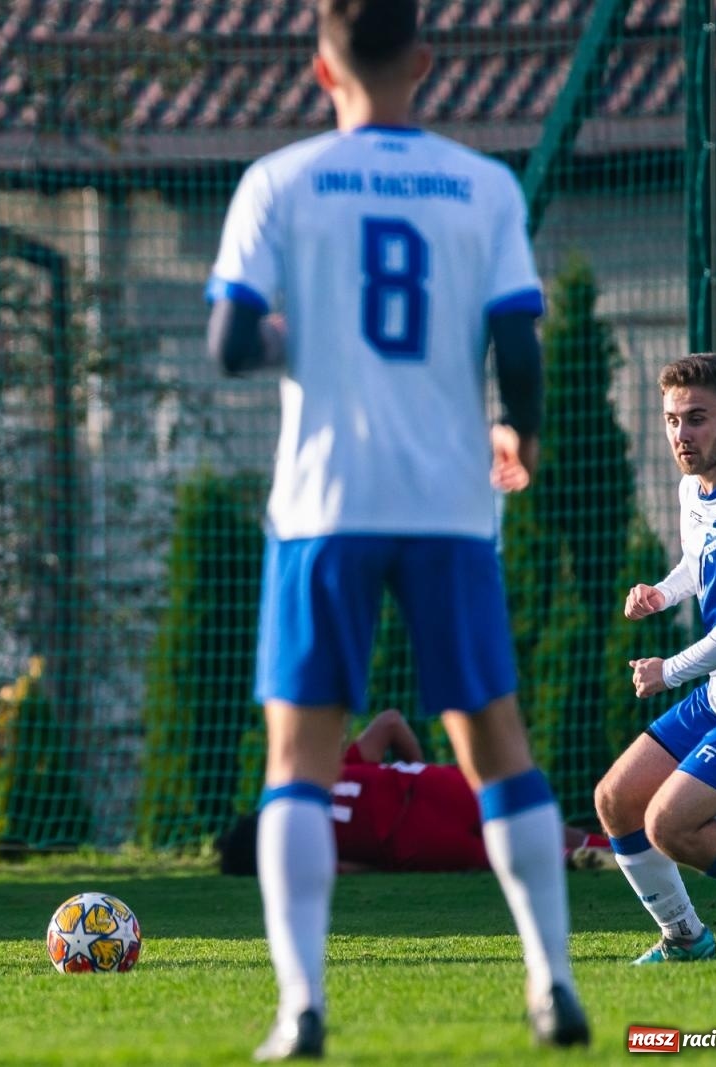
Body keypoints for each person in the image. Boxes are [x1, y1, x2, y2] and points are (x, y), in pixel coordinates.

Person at [205, 0, 588, 1056]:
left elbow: (232, 341)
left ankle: (301, 1007)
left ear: (320, 69)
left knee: (298, 756)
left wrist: (305, 332)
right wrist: (519, 433)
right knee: (494, 739)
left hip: (326, 503)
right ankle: (551, 981)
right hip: (447, 503)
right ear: (423, 61)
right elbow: (518, 343)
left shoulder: (277, 180)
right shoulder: (482, 186)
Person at [593, 353, 716, 966]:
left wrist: (669, 670)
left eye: (697, 419)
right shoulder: (693, 487)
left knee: (669, 825)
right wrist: (663, 592)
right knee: (615, 801)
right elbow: (698, 561)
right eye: (673, 420)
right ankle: (685, 938)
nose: (682, 435)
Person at [215, 710, 616, 876]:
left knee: (509, 855)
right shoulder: (326, 775)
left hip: (415, 840)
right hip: (434, 785)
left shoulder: (301, 847)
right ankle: (628, 850)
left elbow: (347, 868)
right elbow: (390, 721)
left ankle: (580, 859)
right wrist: (418, 768)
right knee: (531, 822)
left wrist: (379, 862)